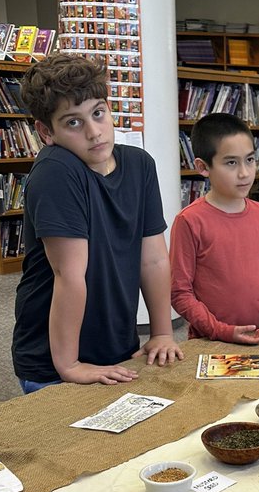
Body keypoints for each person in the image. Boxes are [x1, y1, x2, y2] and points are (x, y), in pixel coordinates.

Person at [12, 54, 183, 389]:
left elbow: (152, 259)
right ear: (46, 132)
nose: (94, 132)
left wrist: (162, 332)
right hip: (53, 361)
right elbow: (69, 274)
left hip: (117, 346)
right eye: (73, 123)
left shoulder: (140, 165)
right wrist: (69, 365)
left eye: (98, 113)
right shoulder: (55, 171)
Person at [169, 112, 259, 344]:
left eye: (250, 160)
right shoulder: (189, 221)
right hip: (212, 341)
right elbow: (180, 293)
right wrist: (221, 330)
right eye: (231, 163)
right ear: (203, 167)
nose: (244, 173)